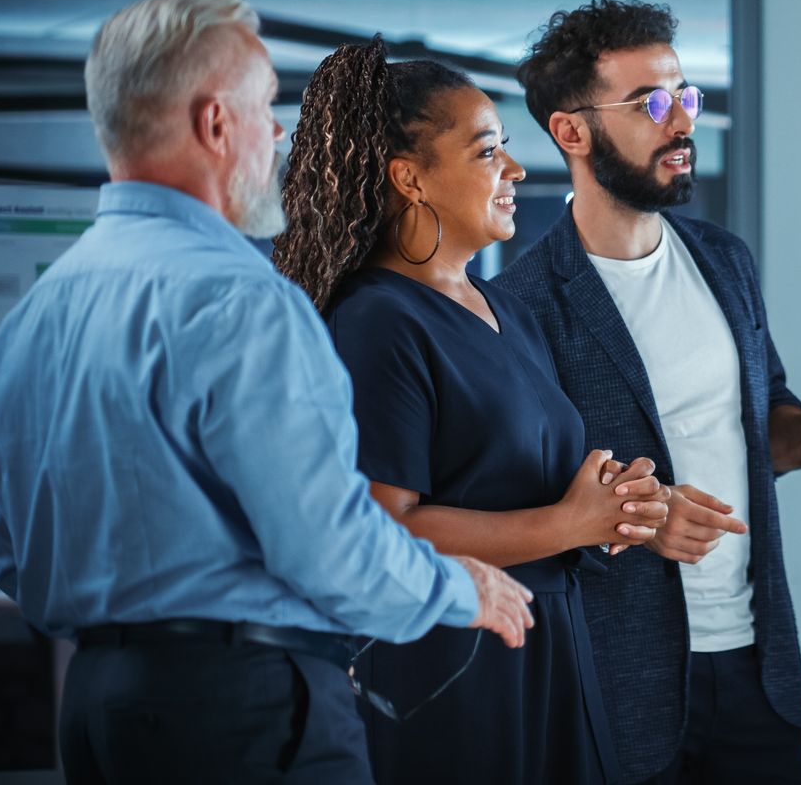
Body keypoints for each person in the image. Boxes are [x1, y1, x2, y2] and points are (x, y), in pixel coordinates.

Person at [0, 0, 535, 785]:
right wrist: (461, 588)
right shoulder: (239, 298)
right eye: (264, 105)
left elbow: (8, 551)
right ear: (214, 124)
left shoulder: (38, 314)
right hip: (241, 712)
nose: (277, 134)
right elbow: (328, 544)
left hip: (95, 708)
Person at [496, 0, 801, 784]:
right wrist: (639, 521)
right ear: (572, 131)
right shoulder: (523, 305)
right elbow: (522, 504)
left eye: (685, 96)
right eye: (651, 103)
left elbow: (762, 426)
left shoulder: (724, 260)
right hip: (618, 682)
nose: (681, 121)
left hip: (757, 669)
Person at [272, 38, 672, 785]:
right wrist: (567, 523)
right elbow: (384, 528)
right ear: (410, 179)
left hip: (547, 649)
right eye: (488, 152)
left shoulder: (502, 309)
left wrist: (614, 505)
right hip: (454, 672)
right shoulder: (377, 324)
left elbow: (517, 479)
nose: (516, 170)